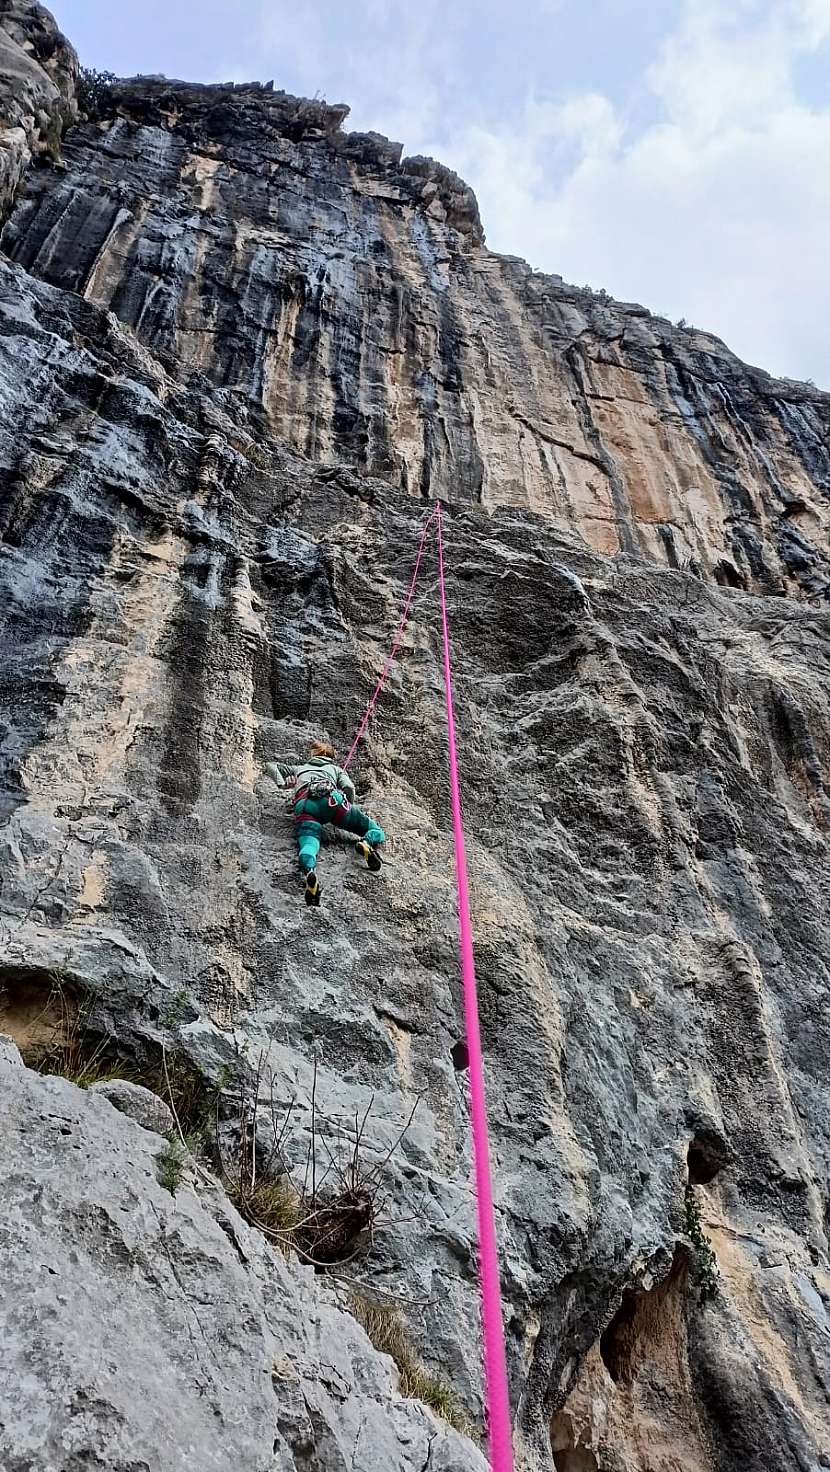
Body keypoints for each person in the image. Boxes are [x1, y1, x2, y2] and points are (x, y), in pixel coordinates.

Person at [264, 740, 385, 907]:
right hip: (333, 802)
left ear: (313, 755)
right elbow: (349, 787)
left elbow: (270, 765)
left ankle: (310, 871)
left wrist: (282, 783)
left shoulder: (299, 768)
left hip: (306, 804)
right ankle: (365, 843)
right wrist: (347, 808)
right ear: (331, 757)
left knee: (309, 840)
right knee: (374, 829)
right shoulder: (336, 769)